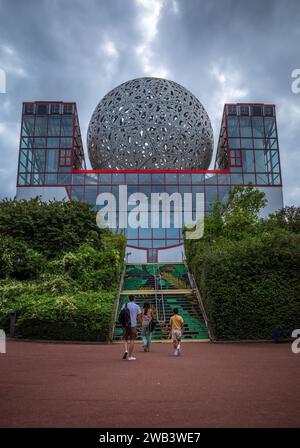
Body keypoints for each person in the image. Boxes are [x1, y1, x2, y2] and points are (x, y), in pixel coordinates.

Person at [121, 296, 142, 361]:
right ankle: (130, 356)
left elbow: (121, 313)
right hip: (133, 325)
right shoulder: (137, 306)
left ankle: (126, 350)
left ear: (129, 299)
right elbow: (139, 317)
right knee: (132, 340)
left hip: (125, 324)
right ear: (134, 299)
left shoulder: (125, 305)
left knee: (125, 338)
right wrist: (141, 323)